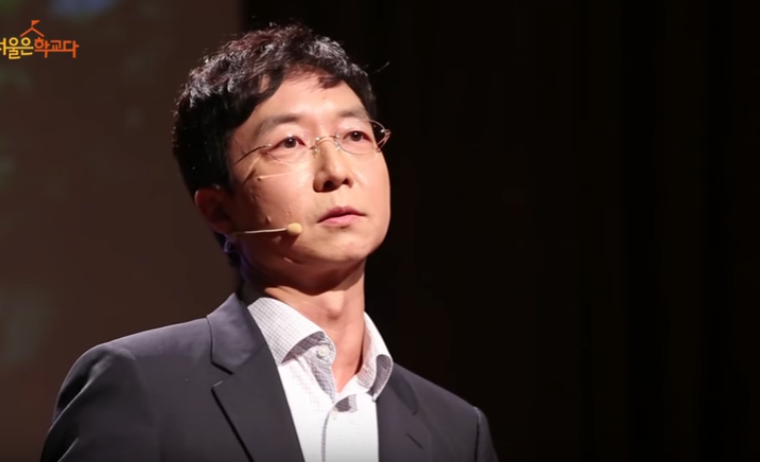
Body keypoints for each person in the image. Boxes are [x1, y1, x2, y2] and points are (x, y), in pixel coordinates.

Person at [39, 23, 498, 462]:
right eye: (289, 143)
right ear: (219, 210)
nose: (336, 171)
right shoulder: (139, 384)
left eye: (355, 135)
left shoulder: (456, 431)